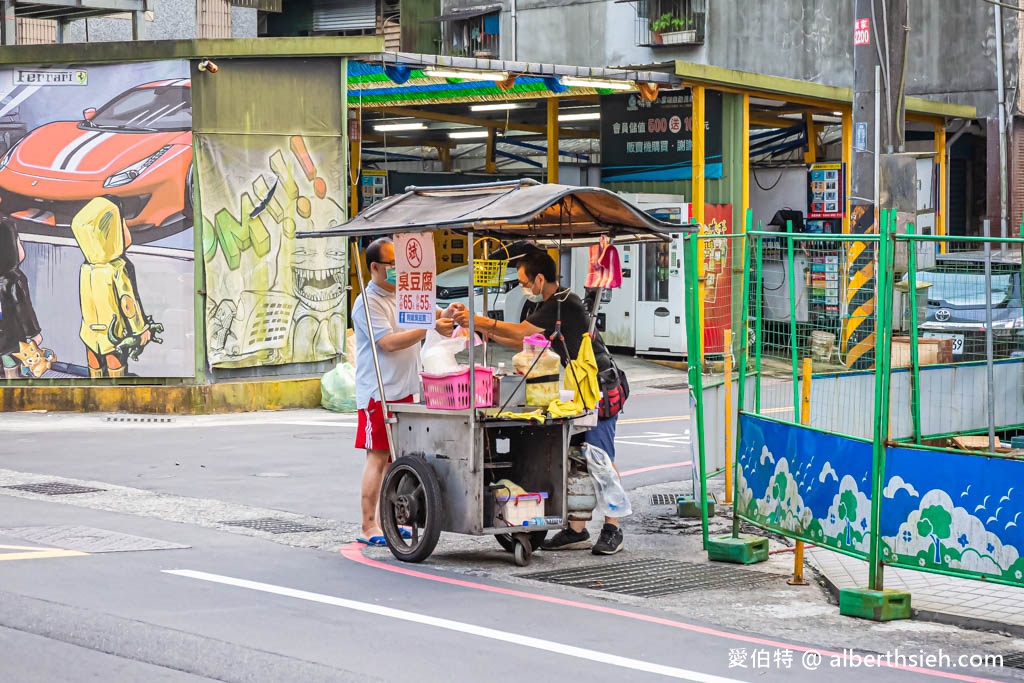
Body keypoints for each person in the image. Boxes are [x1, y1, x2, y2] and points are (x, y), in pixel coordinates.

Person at [453, 248, 625, 555]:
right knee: (575, 456)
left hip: (600, 385)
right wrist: (479, 328)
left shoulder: (563, 304)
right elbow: (525, 340)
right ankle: (576, 531)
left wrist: (479, 320)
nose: (522, 287)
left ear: (540, 279)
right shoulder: (553, 304)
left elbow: (520, 331)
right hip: (579, 385)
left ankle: (613, 527)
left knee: (600, 458)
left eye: (522, 281)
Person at [352, 237, 455, 547]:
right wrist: (430, 327)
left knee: (397, 461)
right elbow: (388, 343)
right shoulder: (367, 303)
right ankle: (369, 525)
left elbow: (435, 316)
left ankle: (394, 519)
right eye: (392, 266)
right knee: (378, 458)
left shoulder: (407, 293)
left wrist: (448, 314)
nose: (399, 272)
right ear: (374, 268)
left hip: (407, 389)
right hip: (378, 393)